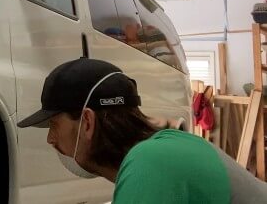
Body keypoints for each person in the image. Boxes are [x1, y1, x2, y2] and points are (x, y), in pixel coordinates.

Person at [17, 57, 267, 203]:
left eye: (53, 125)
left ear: (87, 122)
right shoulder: (165, 148)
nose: (50, 139)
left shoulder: (149, 164)